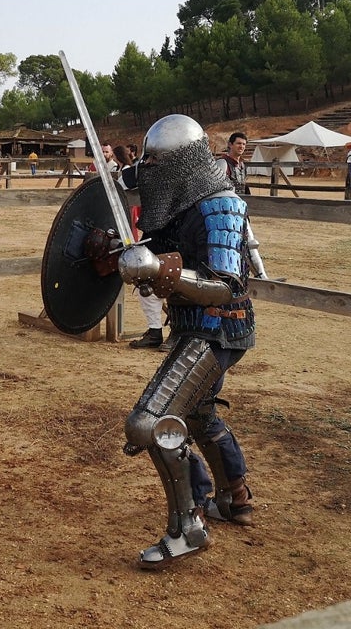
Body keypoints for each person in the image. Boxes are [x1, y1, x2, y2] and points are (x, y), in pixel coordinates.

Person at [113, 113, 256, 570]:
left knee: (150, 421)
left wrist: (160, 271)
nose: (150, 170)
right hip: (194, 324)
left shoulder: (221, 206)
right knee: (198, 413)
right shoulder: (178, 200)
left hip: (218, 326)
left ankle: (188, 526)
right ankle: (235, 497)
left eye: (158, 161)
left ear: (182, 162)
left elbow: (226, 285)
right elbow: (158, 249)